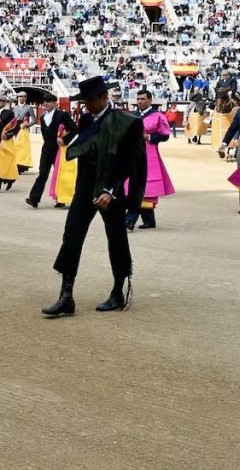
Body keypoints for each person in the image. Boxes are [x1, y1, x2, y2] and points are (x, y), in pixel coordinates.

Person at [41, 76, 146, 317]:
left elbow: (131, 163)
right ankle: (66, 297)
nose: (86, 105)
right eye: (84, 100)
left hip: (112, 190)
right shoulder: (87, 118)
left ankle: (119, 292)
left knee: (116, 238)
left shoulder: (128, 122)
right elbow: (84, 143)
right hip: (86, 187)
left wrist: (111, 190)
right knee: (72, 235)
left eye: (90, 100)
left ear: (104, 97)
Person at [125, 89, 174, 231]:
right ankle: (149, 220)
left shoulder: (157, 116)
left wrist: (149, 137)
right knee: (138, 186)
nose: (139, 101)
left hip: (149, 154)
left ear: (150, 100)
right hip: (133, 154)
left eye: (142, 99)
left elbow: (165, 135)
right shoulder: (132, 115)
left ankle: (129, 219)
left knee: (144, 186)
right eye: (138, 99)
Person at [26, 92, 75, 208]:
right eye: (45, 101)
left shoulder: (63, 115)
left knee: (60, 174)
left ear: (55, 103)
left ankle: (61, 199)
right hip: (47, 149)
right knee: (42, 173)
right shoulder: (43, 117)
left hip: (59, 150)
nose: (46, 103)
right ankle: (34, 199)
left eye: (49, 101)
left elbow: (74, 129)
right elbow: (44, 134)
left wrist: (65, 139)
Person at [12, 91, 35, 174]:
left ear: (26, 98)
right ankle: (16, 164)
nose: (21, 98)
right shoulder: (15, 108)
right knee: (15, 146)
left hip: (24, 128)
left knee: (23, 148)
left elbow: (34, 120)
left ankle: (21, 166)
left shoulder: (29, 107)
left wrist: (27, 125)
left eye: (23, 96)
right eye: (20, 96)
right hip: (15, 128)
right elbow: (13, 119)